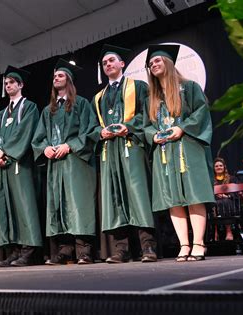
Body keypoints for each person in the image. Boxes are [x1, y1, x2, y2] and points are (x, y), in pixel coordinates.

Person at [143, 44, 214, 262]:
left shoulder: (189, 87)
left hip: (188, 146)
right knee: (173, 199)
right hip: (165, 152)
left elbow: (202, 112)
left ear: (169, 63)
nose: (154, 64)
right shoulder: (151, 99)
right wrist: (153, 135)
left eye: (158, 61)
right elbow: (147, 126)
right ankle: (184, 244)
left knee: (194, 195)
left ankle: (199, 243)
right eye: (151, 63)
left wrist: (182, 128)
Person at [93, 44, 157, 263]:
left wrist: (129, 126)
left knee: (138, 195)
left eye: (112, 60)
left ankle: (148, 246)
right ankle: (122, 249)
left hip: (132, 146)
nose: (108, 64)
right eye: (104, 63)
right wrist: (100, 132)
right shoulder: (99, 97)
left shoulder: (138, 86)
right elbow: (92, 127)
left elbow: (147, 114)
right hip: (110, 151)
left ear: (122, 64)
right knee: (115, 197)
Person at [32, 59, 98, 264]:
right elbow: (39, 138)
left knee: (78, 203)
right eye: (54, 76)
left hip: (76, 160)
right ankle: (65, 249)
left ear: (69, 79)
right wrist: (45, 148)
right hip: (56, 164)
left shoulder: (82, 103)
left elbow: (92, 130)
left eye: (60, 75)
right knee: (58, 205)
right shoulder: (47, 110)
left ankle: (83, 250)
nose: (56, 78)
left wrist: (70, 145)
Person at [0, 66, 42, 267]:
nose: (8, 85)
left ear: (20, 85)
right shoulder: (2, 114)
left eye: (12, 82)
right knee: (8, 207)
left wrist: (6, 152)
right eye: (6, 83)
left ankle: (29, 249)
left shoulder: (29, 107)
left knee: (24, 205)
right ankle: (14, 250)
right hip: (3, 165)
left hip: (21, 164)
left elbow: (25, 132)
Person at [212, 157, 238, 241]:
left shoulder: (231, 178)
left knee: (225, 202)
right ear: (214, 168)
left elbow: (236, 192)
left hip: (228, 201)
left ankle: (228, 230)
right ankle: (214, 232)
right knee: (212, 205)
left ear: (224, 167)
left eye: (221, 166)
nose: (219, 167)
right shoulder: (211, 180)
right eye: (216, 166)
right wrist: (217, 195)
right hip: (215, 201)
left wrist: (227, 196)